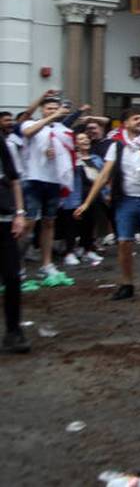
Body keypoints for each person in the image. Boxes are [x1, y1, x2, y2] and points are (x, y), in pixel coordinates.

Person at [75, 108, 140, 300]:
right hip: (125, 200)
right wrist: (86, 203)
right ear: (125, 123)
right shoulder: (116, 146)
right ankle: (127, 284)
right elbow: (103, 176)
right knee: (124, 243)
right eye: (136, 119)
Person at [19, 95, 73, 280]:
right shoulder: (30, 124)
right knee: (28, 224)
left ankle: (46, 264)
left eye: (55, 108)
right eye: (49, 108)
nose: (52, 111)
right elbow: (28, 133)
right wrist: (52, 116)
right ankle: (18, 266)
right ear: (43, 110)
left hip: (53, 180)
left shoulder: (62, 130)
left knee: (49, 222)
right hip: (33, 178)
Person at [59, 132, 104, 267]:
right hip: (75, 196)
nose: (85, 140)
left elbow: (102, 176)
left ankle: (87, 249)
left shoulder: (96, 158)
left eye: (86, 138)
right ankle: (70, 252)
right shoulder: (71, 158)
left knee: (89, 224)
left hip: (93, 196)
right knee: (72, 225)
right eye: (80, 138)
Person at [1, 134, 29, 353]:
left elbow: (14, 179)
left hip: (4, 221)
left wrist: (19, 213)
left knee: (12, 276)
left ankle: (14, 332)